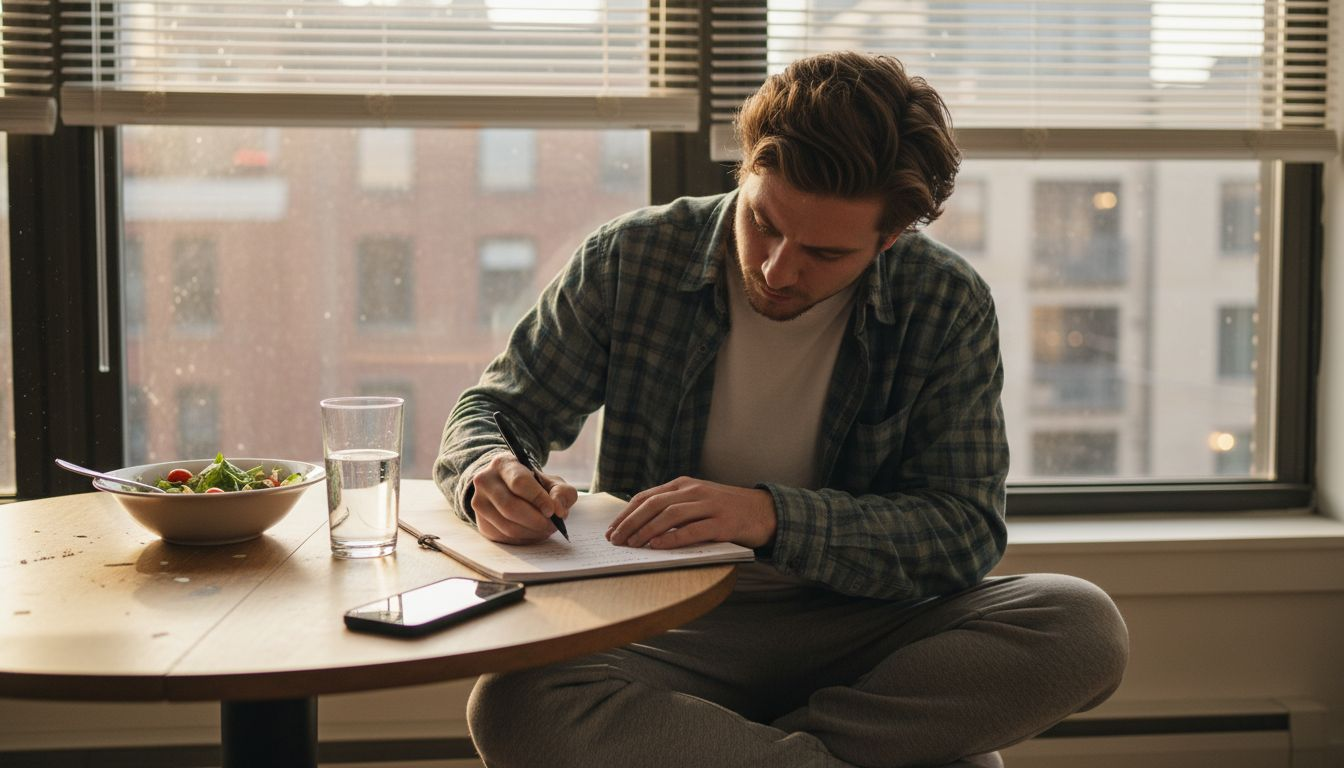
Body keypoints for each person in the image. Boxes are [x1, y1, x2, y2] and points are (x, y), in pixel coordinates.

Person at [434, 51, 1128, 768]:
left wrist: (769, 517)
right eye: (764, 223)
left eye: (823, 253)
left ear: (888, 239)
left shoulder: (944, 302)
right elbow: (496, 409)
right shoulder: (630, 257)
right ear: (744, 171)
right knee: (514, 703)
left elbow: (964, 532)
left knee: (1081, 626)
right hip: (676, 619)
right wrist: (490, 468)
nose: (776, 269)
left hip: (868, 625)